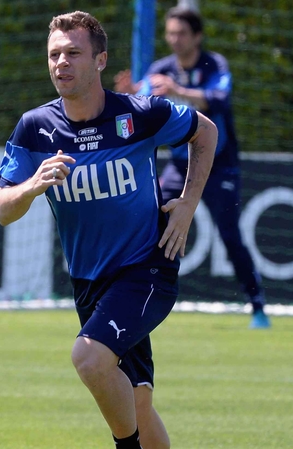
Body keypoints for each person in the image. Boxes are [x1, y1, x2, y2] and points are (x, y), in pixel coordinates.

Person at [0, 11, 217, 449]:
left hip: (147, 268)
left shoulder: (140, 113)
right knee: (138, 404)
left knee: (89, 358)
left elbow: (204, 132)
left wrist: (188, 204)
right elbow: (2, 210)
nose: (62, 62)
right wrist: (33, 185)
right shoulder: (34, 127)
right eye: (55, 54)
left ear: (100, 60)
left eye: (73, 53)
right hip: (88, 280)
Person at [114, 7, 270, 329]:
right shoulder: (161, 69)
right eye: (170, 32)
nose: (174, 39)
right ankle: (144, 295)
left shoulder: (215, 65)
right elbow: (142, 109)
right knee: (148, 218)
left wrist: (179, 91)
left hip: (219, 166)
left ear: (196, 36)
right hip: (179, 165)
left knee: (229, 236)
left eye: (181, 33)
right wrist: (129, 96)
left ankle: (257, 306)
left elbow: (220, 98)